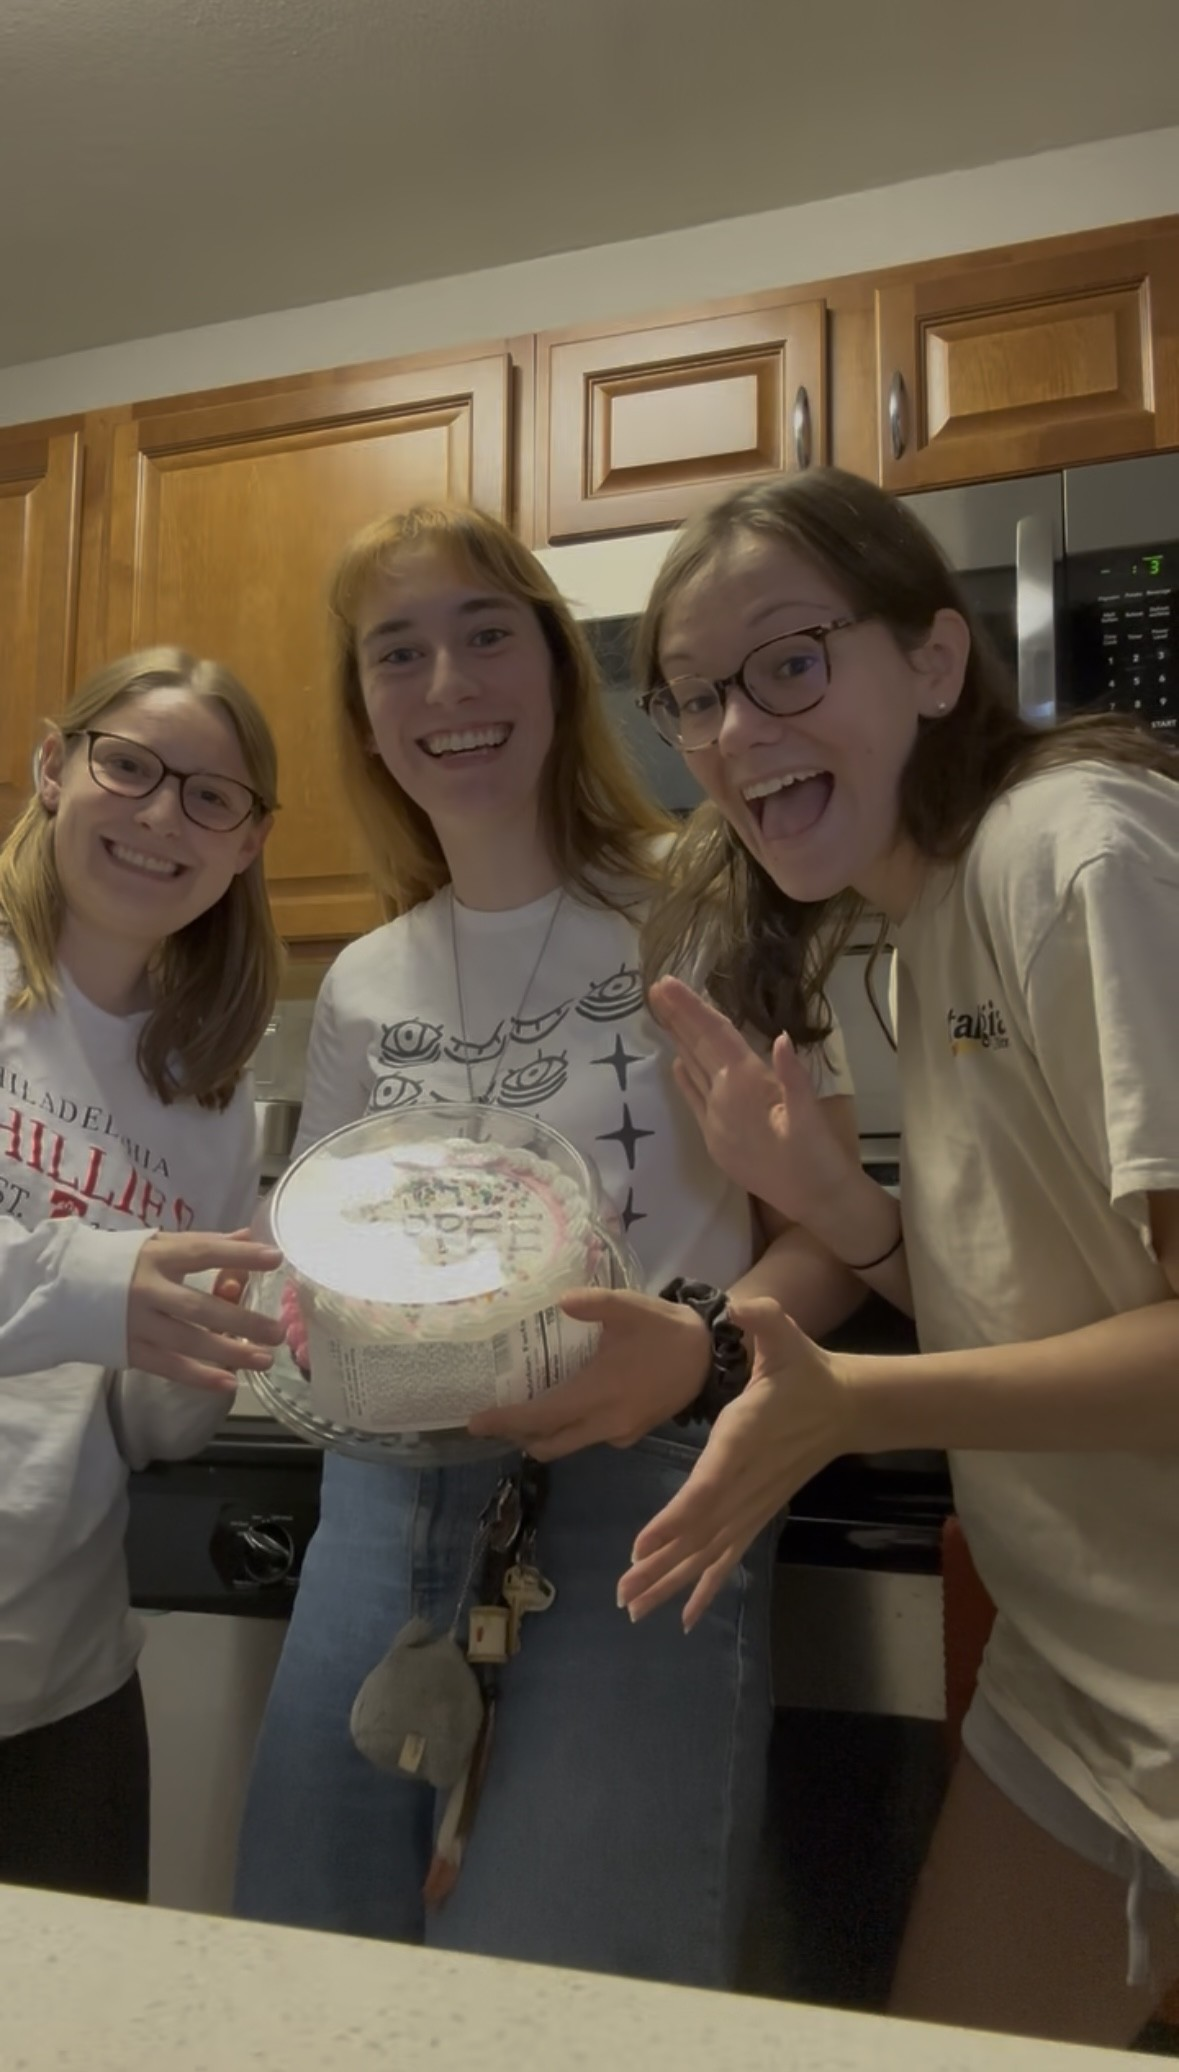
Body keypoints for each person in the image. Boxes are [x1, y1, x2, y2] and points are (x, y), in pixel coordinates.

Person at [233, 502, 865, 1986]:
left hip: (643, 1490)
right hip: (381, 1503)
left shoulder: (701, 904)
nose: (446, 685)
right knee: (309, 1968)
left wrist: (695, 1346)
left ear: (555, 670)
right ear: (366, 714)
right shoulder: (364, 986)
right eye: (399, 653)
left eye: (484, 634)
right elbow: (313, 1252)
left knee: (573, 1983)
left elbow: (831, 1239)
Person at [611, 466, 1179, 2047]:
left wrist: (852, 1400)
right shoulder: (921, 929)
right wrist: (847, 1219)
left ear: (932, 662)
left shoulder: (1077, 857)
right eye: (693, 698)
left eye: (789, 663)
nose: (733, 733)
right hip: (1079, 1686)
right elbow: (1049, 1300)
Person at [0, 647, 286, 1904]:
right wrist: (107, 1281)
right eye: (130, 765)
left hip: (61, 1673)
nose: (165, 814)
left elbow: (144, 1416)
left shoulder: (209, 1106)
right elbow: (97, 1292)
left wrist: (225, 1344)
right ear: (55, 768)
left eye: (212, 796)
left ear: (247, 845)